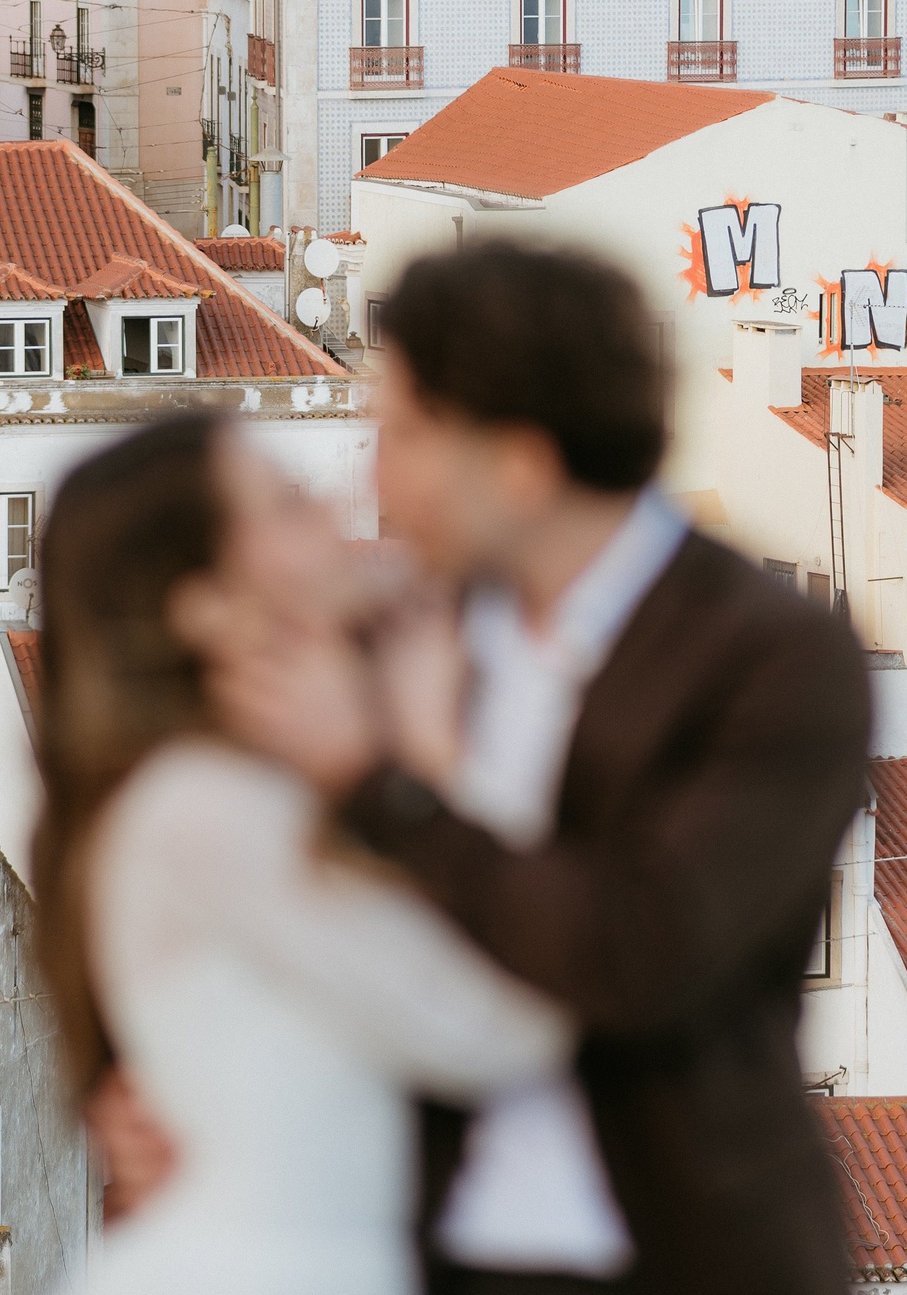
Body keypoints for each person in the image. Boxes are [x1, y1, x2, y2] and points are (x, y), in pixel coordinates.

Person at [214, 241, 870, 1295]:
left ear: (520, 463)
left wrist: (402, 785)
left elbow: (643, 952)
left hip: (681, 1251)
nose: (375, 476)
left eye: (408, 434)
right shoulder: (403, 633)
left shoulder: (773, 660)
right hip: (421, 1242)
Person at [32, 412, 574, 1295]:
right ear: (202, 603)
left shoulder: (236, 789)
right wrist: (436, 763)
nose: (330, 503)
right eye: (286, 503)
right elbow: (504, 1022)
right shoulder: (203, 807)